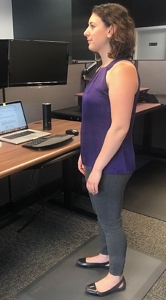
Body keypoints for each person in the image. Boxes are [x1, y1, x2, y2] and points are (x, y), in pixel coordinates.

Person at [76, 3, 140, 297]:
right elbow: (94, 120)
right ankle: (104, 255)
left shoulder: (122, 70)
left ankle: (116, 275)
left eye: (92, 25)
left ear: (111, 29)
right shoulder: (102, 69)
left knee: (110, 220)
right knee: (102, 214)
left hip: (112, 164)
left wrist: (98, 167)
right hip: (96, 158)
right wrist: (83, 153)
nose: (86, 31)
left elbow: (119, 127)